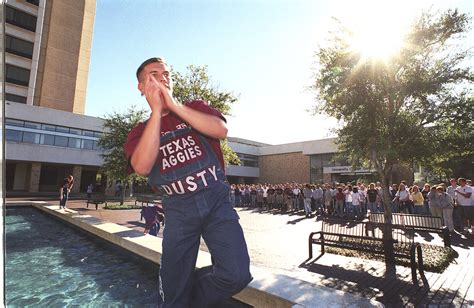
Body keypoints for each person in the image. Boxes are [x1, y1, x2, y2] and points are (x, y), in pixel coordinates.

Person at [124, 57, 251, 307]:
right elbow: (142, 166)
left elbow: (221, 130)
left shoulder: (195, 107)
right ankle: (176, 296)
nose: (163, 78)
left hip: (216, 201)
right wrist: (157, 114)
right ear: (141, 87)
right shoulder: (140, 132)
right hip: (179, 209)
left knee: (236, 274)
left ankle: (186, 297)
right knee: (173, 295)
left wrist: (174, 105)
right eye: (154, 74)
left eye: (166, 73)